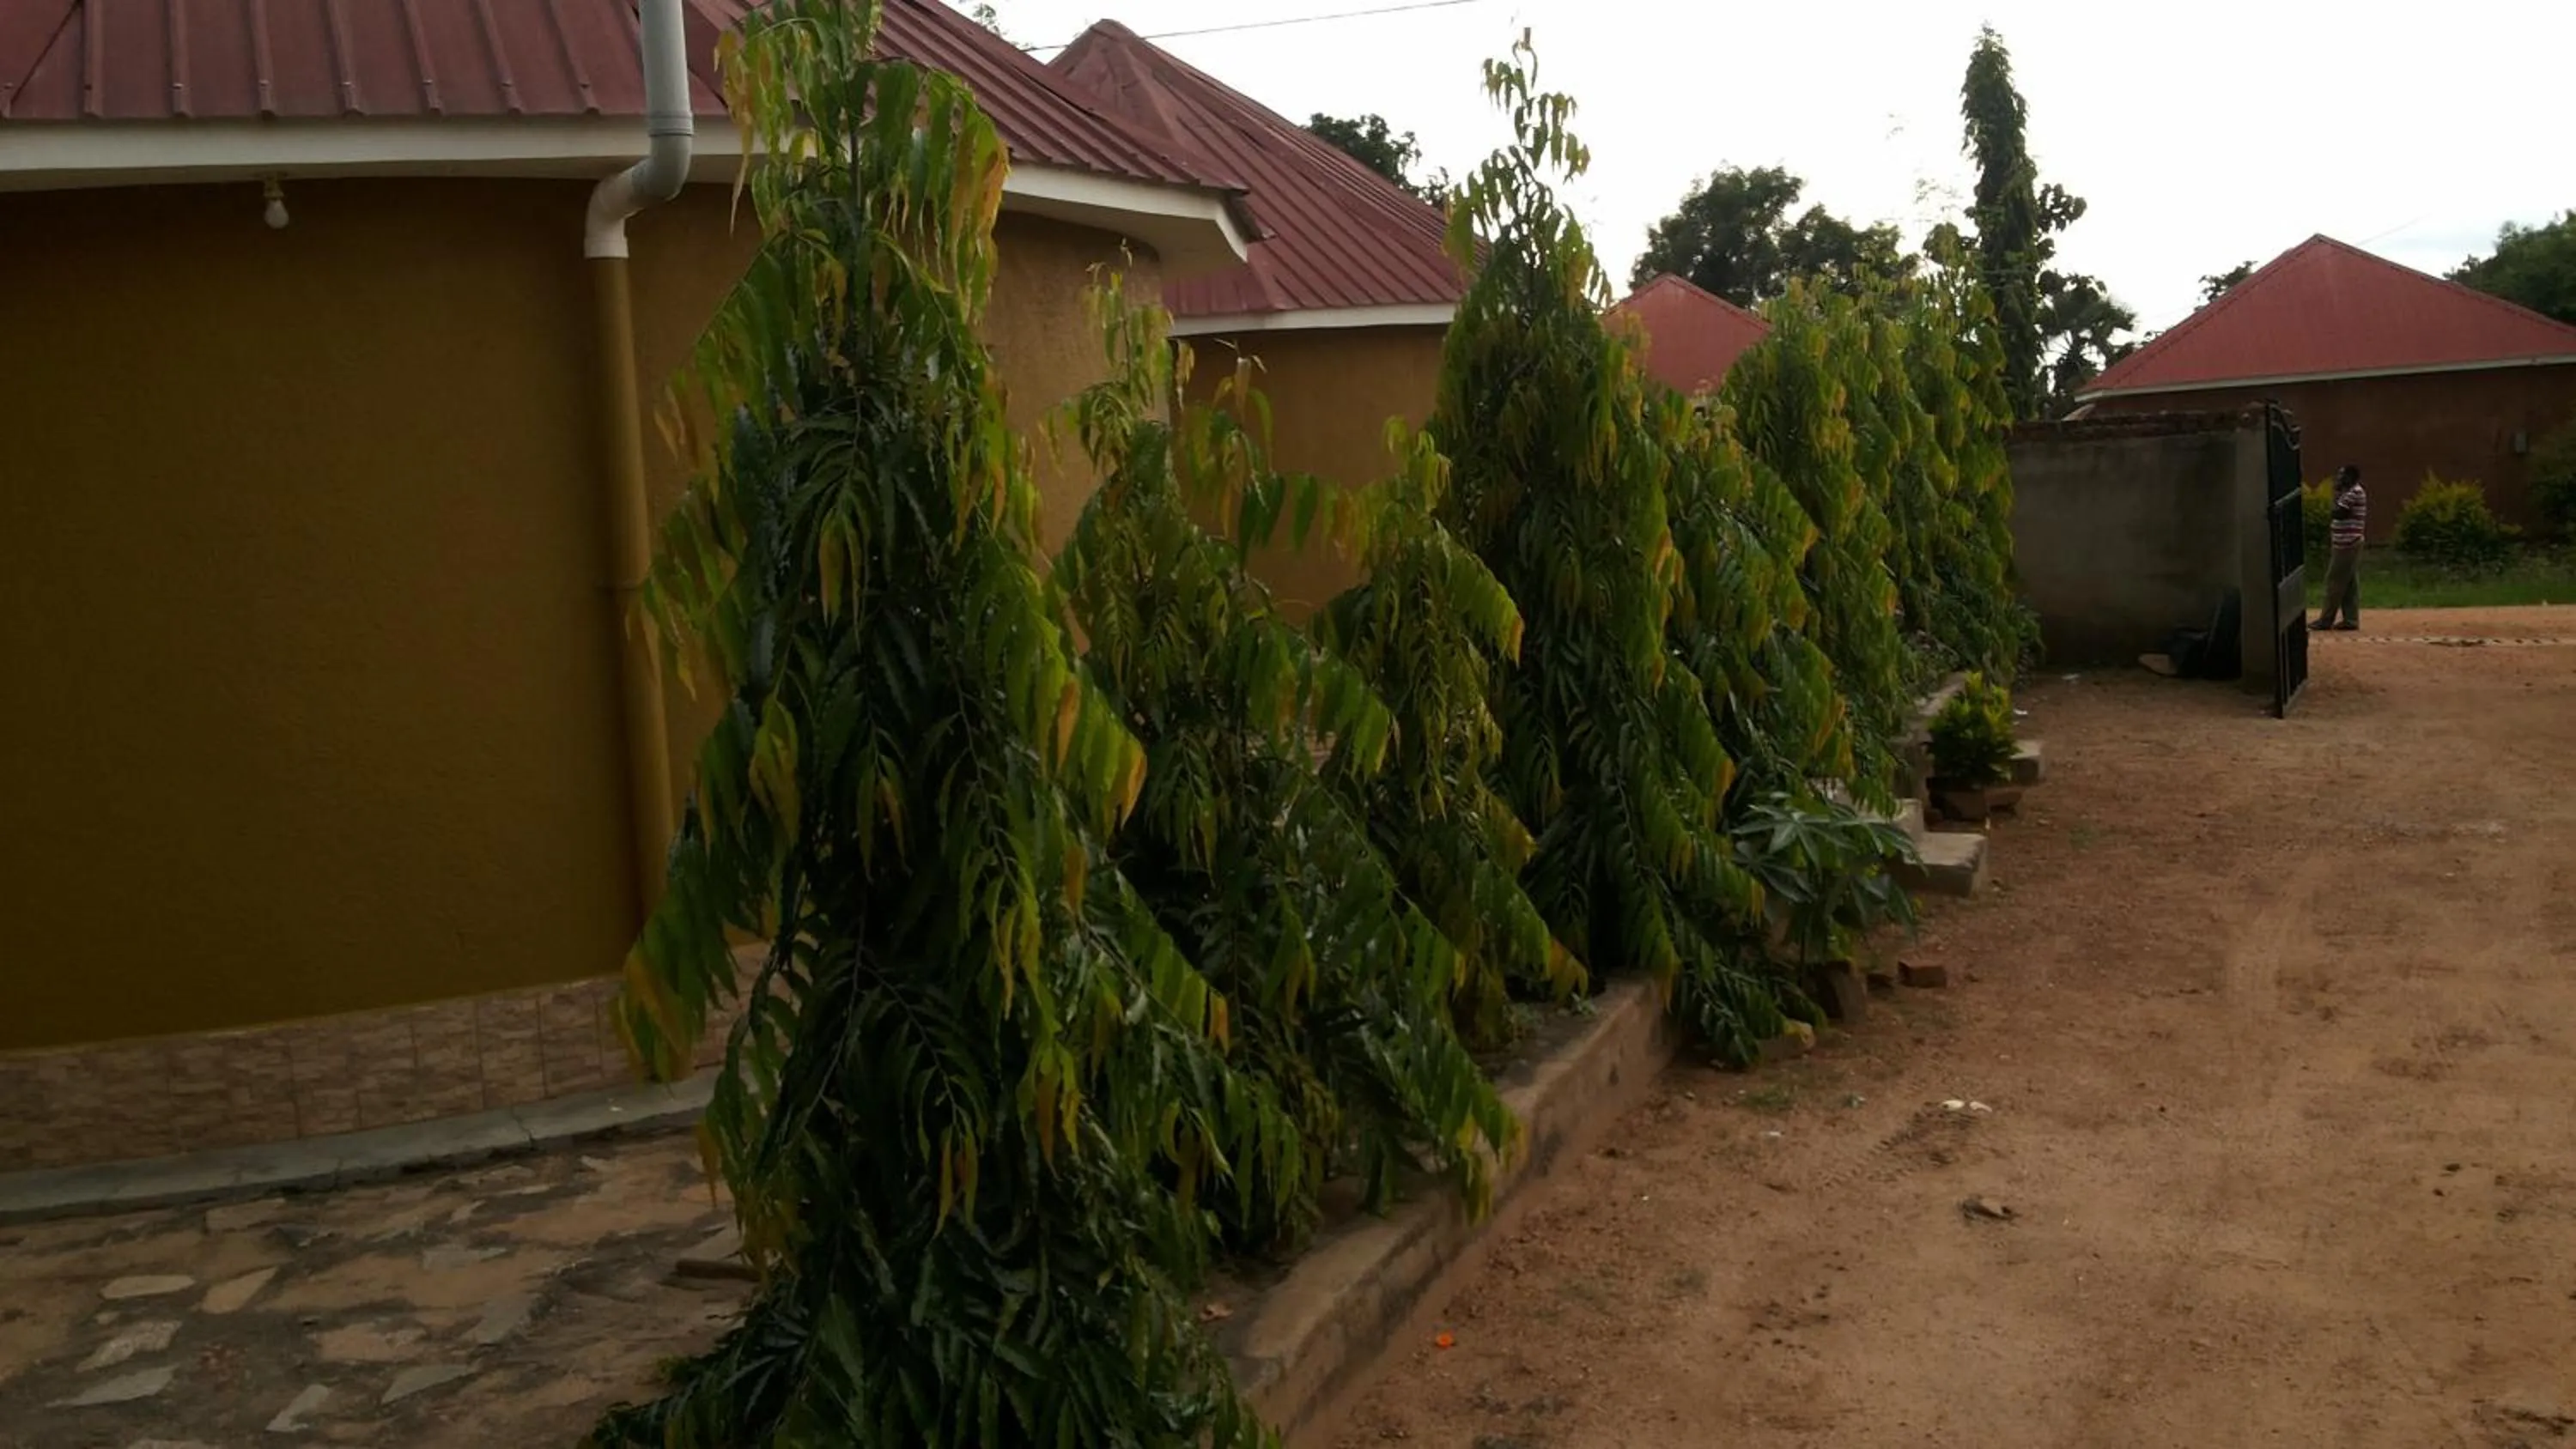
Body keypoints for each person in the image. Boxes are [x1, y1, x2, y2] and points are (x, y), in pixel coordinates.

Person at [2313, 464, 2366, 632]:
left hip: (2348, 544)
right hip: (2345, 543)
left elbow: (2338, 513)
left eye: (2342, 475)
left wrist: (2337, 493)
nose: (2339, 478)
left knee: (2334, 581)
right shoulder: (2348, 493)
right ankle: (2350, 620)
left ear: (2351, 477)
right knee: (2349, 583)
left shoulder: (2354, 493)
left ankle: (2325, 620)